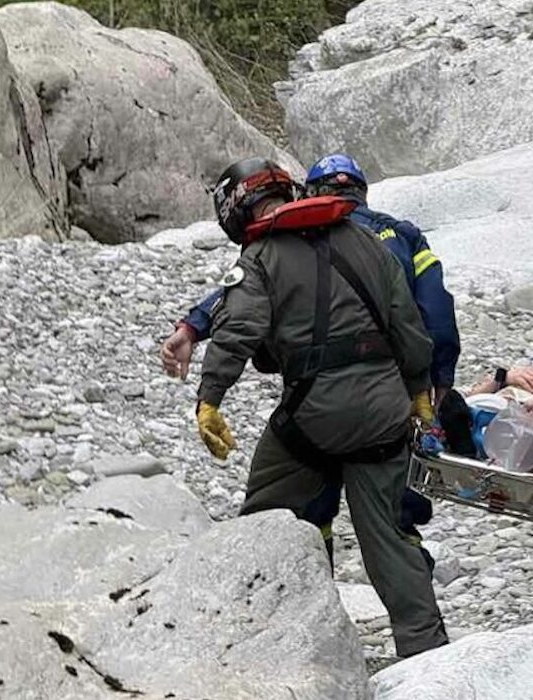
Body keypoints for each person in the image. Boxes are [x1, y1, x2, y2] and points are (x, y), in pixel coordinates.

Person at [193, 157, 448, 657]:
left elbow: (239, 329)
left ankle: (268, 640)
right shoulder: (361, 239)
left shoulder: (261, 255)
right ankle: (429, 655)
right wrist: (419, 391)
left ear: (235, 207)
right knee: (391, 535)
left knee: (266, 516)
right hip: (385, 413)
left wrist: (210, 398)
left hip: (313, 414)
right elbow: (408, 325)